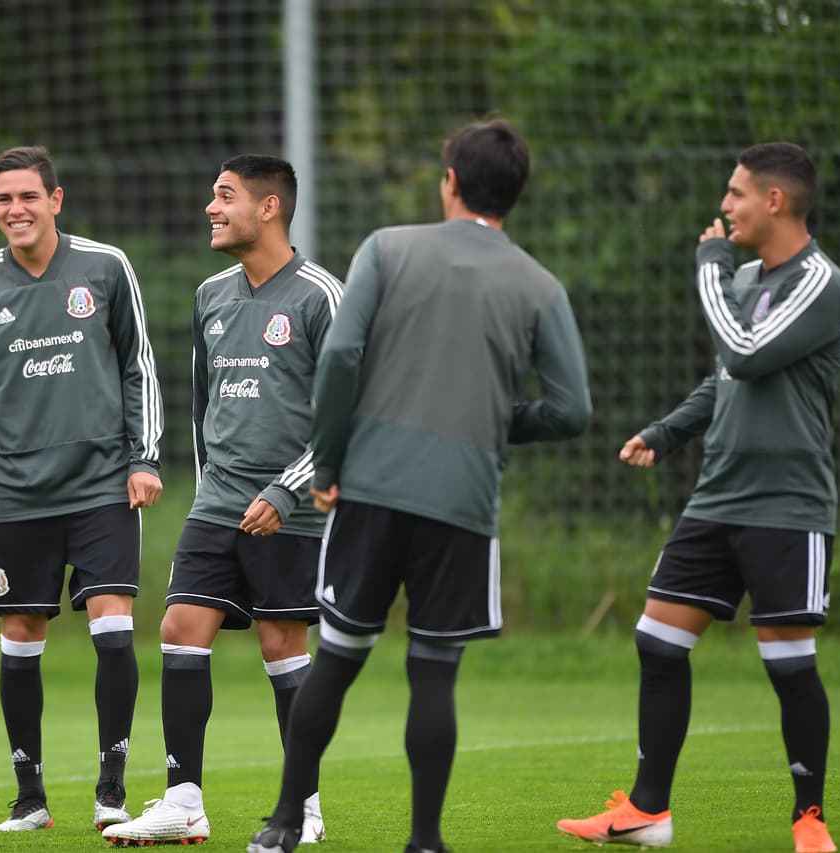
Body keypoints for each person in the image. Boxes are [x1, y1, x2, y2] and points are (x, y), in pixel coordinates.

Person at [249, 119, 593, 853]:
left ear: (450, 181)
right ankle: (426, 842)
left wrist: (332, 462)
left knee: (336, 660)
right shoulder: (540, 284)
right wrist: (494, 422)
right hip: (463, 503)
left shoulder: (388, 247)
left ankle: (282, 823)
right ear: (516, 194)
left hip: (371, 488)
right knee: (433, 672)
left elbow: (340, 355)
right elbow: (572, 411)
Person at [557, 143, 840, 853]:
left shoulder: (820, 283)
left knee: (789, 662)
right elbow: (728, 378)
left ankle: (809, 818)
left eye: (737, 193)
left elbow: (747, 348)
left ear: (774, 201)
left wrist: (709, 269)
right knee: (658, 640)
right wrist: (669, 430)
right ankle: (648, 811)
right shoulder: (744, 278)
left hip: (786, 503)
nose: (726, 206)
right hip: (716, 499)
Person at [103, 154, 341, 847]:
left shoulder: (321, 295)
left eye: (225, 195)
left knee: (280, 641)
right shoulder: (210, 295)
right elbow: (205, 407)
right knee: (180, 627)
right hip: (218, 504)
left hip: (289, 505)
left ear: (269, 206)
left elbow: (342, 418)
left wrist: (287, 490)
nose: (212, 207)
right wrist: (214, 489)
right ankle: (184, 799)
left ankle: (305, 804)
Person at [0, 145, 163, 835]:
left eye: (28, 196)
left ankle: (112, 790)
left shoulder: (105, 266)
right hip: (19, 498)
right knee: (19, 637)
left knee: (114, 631)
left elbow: (138, 365)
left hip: (102, 489)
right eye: (4, 198)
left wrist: (144, 457)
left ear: (55, 200)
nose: (16, 209)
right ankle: (29, 797)